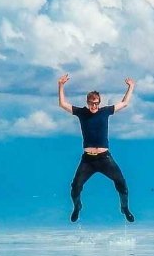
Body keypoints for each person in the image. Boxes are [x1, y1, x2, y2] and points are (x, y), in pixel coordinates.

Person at [58, 74, 136, 223]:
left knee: (121, 183)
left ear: (99, 103)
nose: (94, 106)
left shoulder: (105, 111)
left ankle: (124, 208)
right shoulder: (82, 113)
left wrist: (131, 87)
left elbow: (124, 103)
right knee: (75, 187)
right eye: (91, 103)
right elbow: (63, 104)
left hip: (104, 158)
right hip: (88, 160)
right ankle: (77, 207)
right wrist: (61, 85)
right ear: (87, 102)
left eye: (96, 103)